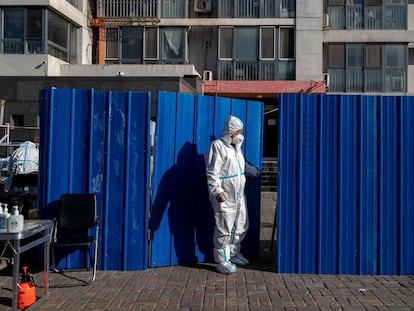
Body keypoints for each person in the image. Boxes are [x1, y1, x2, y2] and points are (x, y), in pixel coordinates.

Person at [204, 115, 260, 274]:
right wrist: (217, 191)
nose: (240, 135)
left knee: (241, 225)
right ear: (231, 131)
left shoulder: (236, 148)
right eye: (238, 132)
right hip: (225, 196)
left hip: (239, 196)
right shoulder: (217, 147)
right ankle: (221, 260)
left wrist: (253, 171)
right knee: (224, 228)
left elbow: (240, 168)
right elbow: (212, 173)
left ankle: (233, 252)